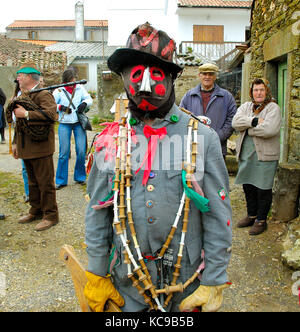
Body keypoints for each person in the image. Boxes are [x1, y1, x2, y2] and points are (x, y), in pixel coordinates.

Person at [83, 22, 232, 313]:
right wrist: (96, 272)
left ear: (172, 78)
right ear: (124, 78)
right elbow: (97, 212)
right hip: (127, 284)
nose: (145, 85)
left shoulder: (202, 137)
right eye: (136, 74)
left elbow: (217, 212)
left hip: (186, 285)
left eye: (156, 73)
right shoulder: (108, 141)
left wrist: (213, 279)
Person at [10, 62, 59, 231]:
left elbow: (52, 115)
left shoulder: (43, 94)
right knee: (32, 183)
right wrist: (15, 143)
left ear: (30, 77)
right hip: (26, 147)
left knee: (45, 183)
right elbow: (18, 124)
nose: (18, 78)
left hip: (41, 147)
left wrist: (27, 114)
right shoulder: (23, 95)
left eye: (20, 76)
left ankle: (51, 215)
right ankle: (36, 210)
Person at [232, 78, 281, 236]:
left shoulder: (273, 108)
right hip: (247, 155)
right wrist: (253, 121)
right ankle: (251, 215)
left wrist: (247, 128)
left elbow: (270, 129)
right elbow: (235, 122)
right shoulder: (246, 106)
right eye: (255, 90)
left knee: (263, 189)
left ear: (266, 91)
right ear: (251, 92)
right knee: (248, 186)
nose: (258, 93)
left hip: (265, 156)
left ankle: (261, 220)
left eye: (261, 90)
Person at [180, 63, 237, 159]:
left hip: (217, 147)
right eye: (204, 74)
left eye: (210, 74)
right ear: (199, 75)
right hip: (194, 148)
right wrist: (191, 137)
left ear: (215, 77)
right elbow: (181, 117)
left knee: (216, 174)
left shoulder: (226, 97)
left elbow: (232, 119)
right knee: (194, 173)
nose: (207, 77)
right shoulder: (189, 96)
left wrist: (218, 137)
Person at [53, 69, 93, 190]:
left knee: (81, 151)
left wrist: (84, 104)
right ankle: (61, 180)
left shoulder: (80, 88)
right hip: (64, 123)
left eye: (73, 81)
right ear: (65, 81)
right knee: (63, 153)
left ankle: (80, 177)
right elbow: (50, 104)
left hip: (78, 123)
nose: (72, 83)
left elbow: (89, 99)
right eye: (69, 81)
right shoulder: (59, 90)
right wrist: (61, 107)